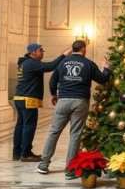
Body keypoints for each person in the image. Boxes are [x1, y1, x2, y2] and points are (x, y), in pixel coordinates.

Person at [36, 40, 111, 177]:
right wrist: (106, 68)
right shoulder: (88, 64)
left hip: (63, 100)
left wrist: (54, 94)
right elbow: (102, 80)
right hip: (80, 102)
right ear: (83, 49)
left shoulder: (62, 63)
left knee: (53, 132)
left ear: (73, 49)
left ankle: (43, 165)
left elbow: (53, 81)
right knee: (75, 135)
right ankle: (70, 170)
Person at [12, 43, 70, 162]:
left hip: (19, 98)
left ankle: (17, 153)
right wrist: (64, 54)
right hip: (28, 99)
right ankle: (26, 153)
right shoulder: (31, 63)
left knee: (20, 126)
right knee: (29, 126)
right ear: (33, 52)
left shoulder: (24, 63)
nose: (43, 52)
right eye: (40, 50)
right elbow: (51, 66)